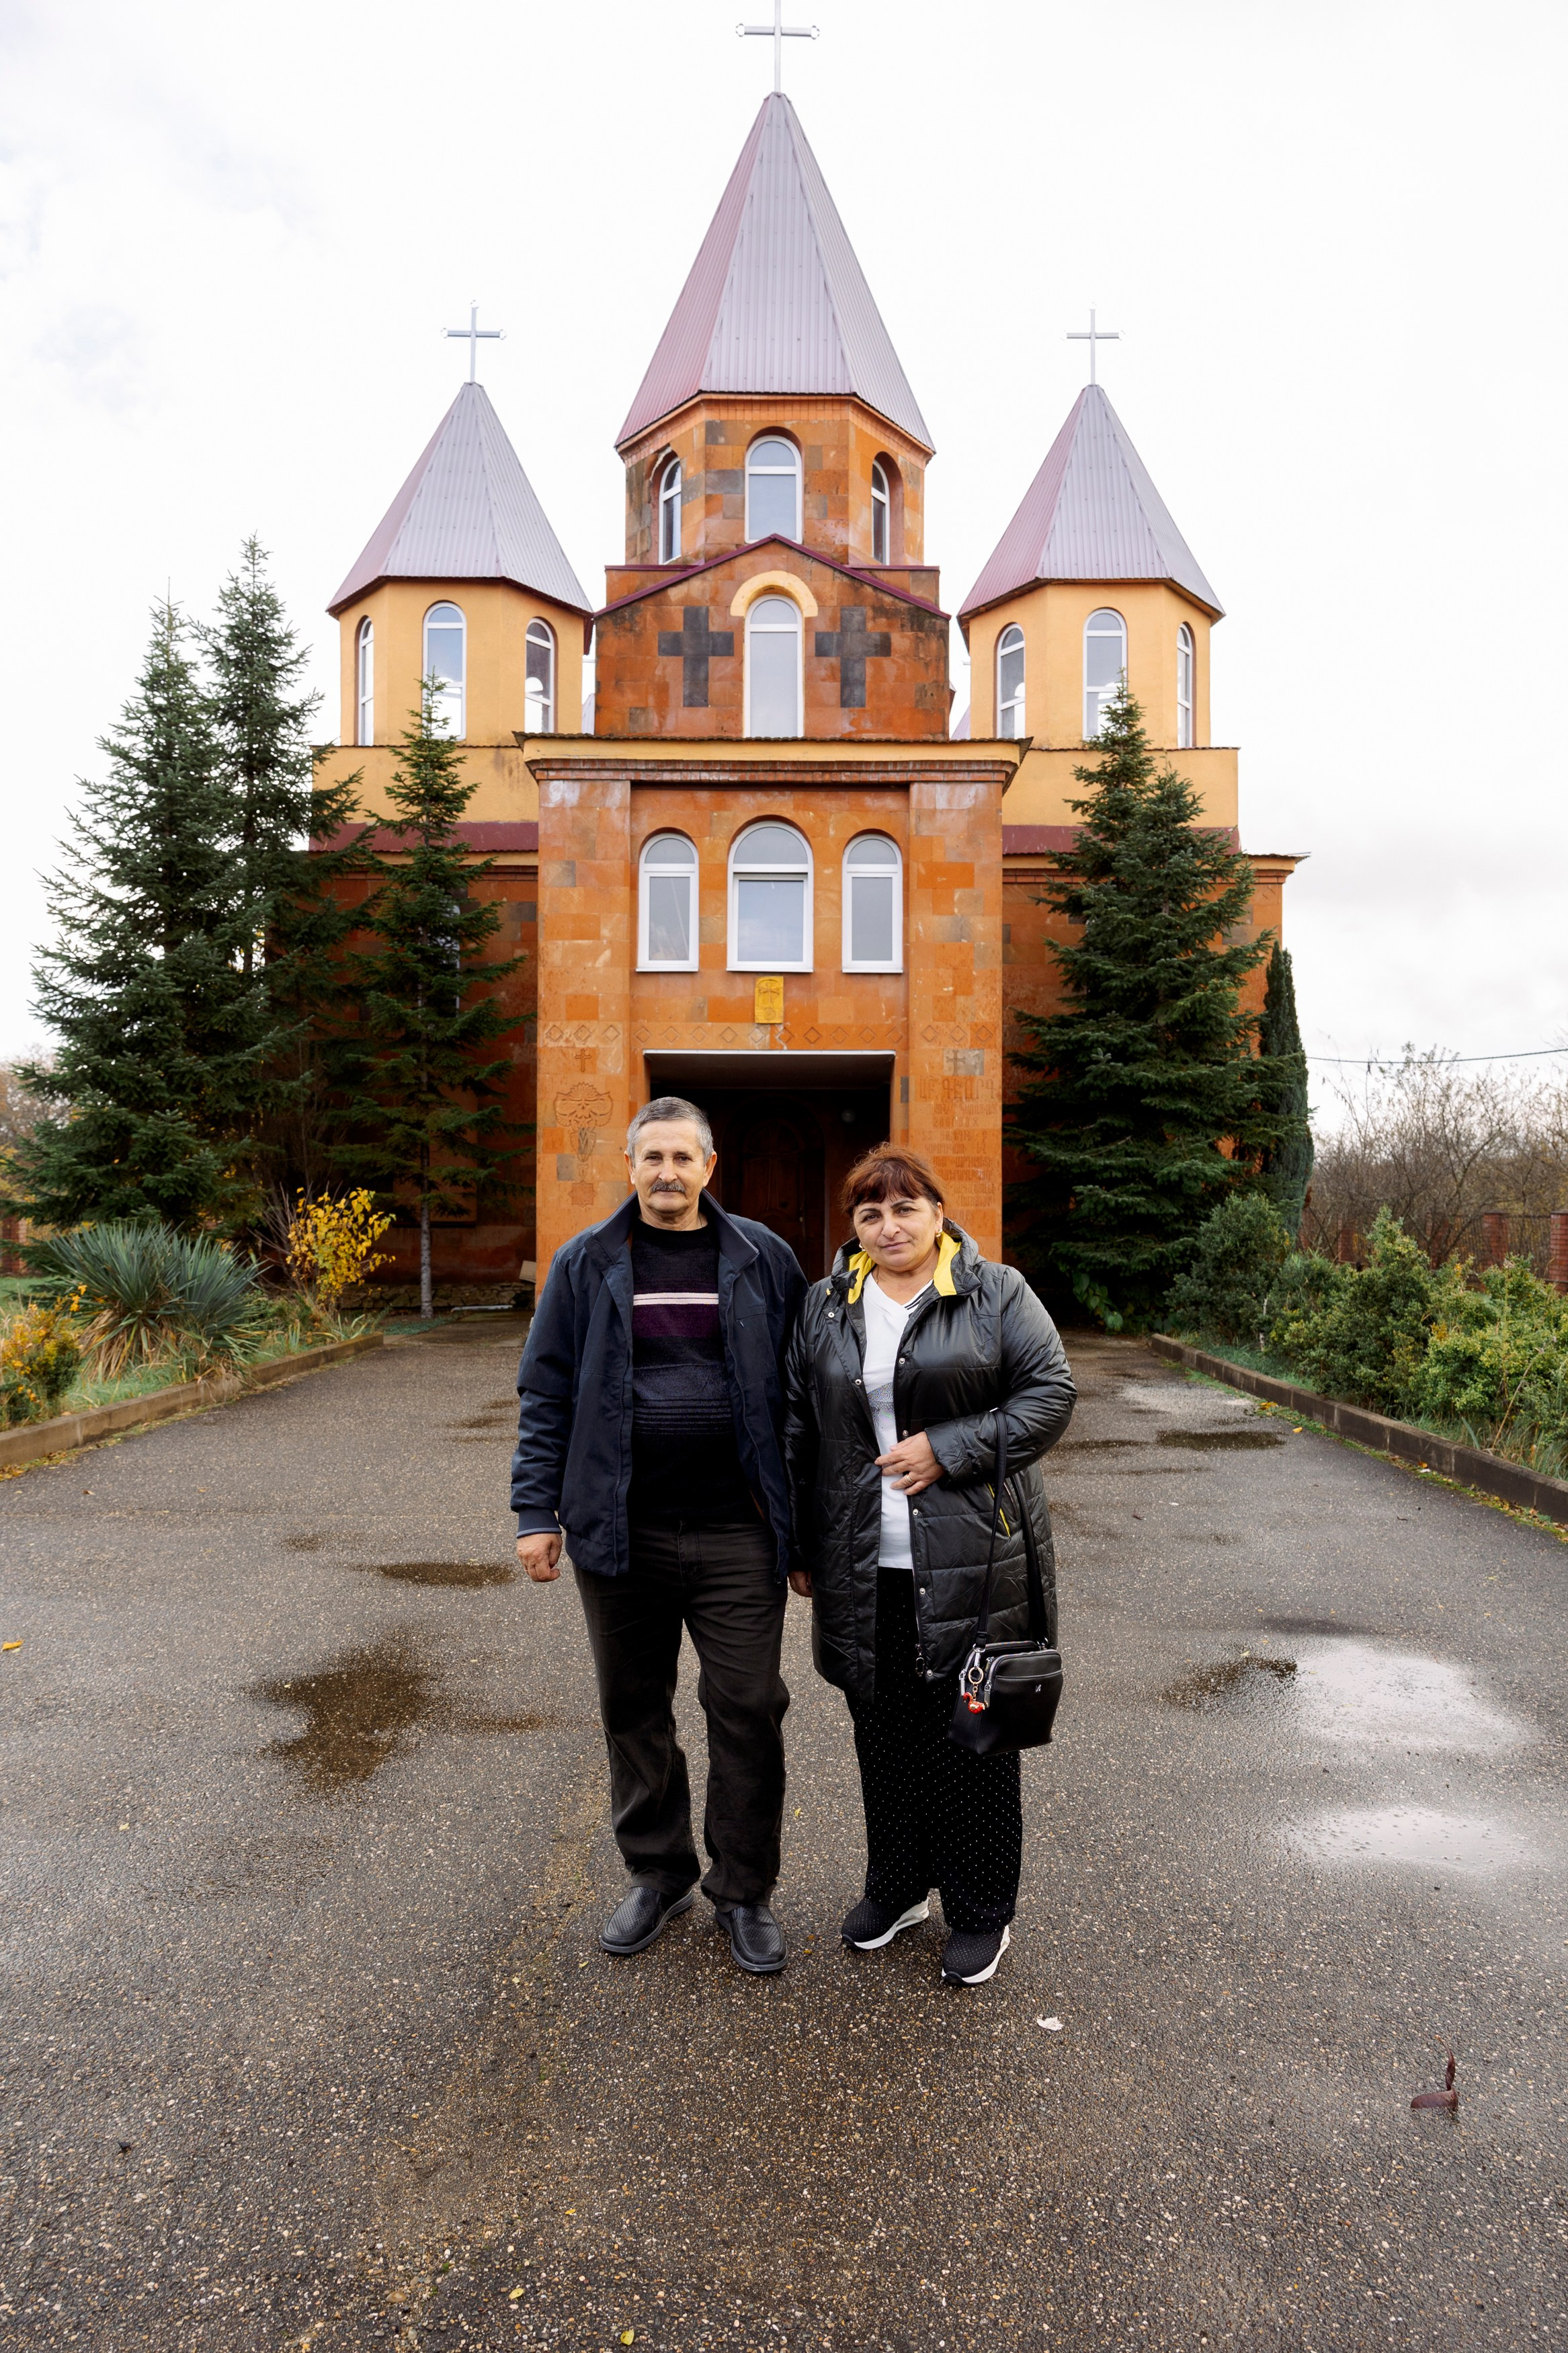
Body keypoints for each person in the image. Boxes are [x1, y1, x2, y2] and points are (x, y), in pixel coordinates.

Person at [511, 1096, 807, 1975]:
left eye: (684, 1158)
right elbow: (547, 1393)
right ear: (632, 1167)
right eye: (654, 1159)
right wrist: (536, 1513)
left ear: (710, 1168)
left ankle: (744, 1890)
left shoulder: (763, 1258)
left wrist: (811, 1534)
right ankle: (659, 1870)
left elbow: (804, 1396)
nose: (668, 1173)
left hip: (737, 1532)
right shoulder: (587, 1262)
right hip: (619, 1531)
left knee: (748, 1707)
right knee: (633, 1709)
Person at [783, 1145, 1075, 1987]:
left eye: (905, 1208)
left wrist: (948, 1449)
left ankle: (982, 1910)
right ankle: (899, 1886)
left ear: (937, 1214)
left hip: (974, 1555)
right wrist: (802, 1543)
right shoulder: (826, 1304)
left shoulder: (995, 1291)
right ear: (855, 1227)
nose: (889, 1226)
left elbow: (1049, 1393)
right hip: (861, 1558)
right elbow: (800, 1425)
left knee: (971, 1737)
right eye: (870, 1213)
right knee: (884, 1732)